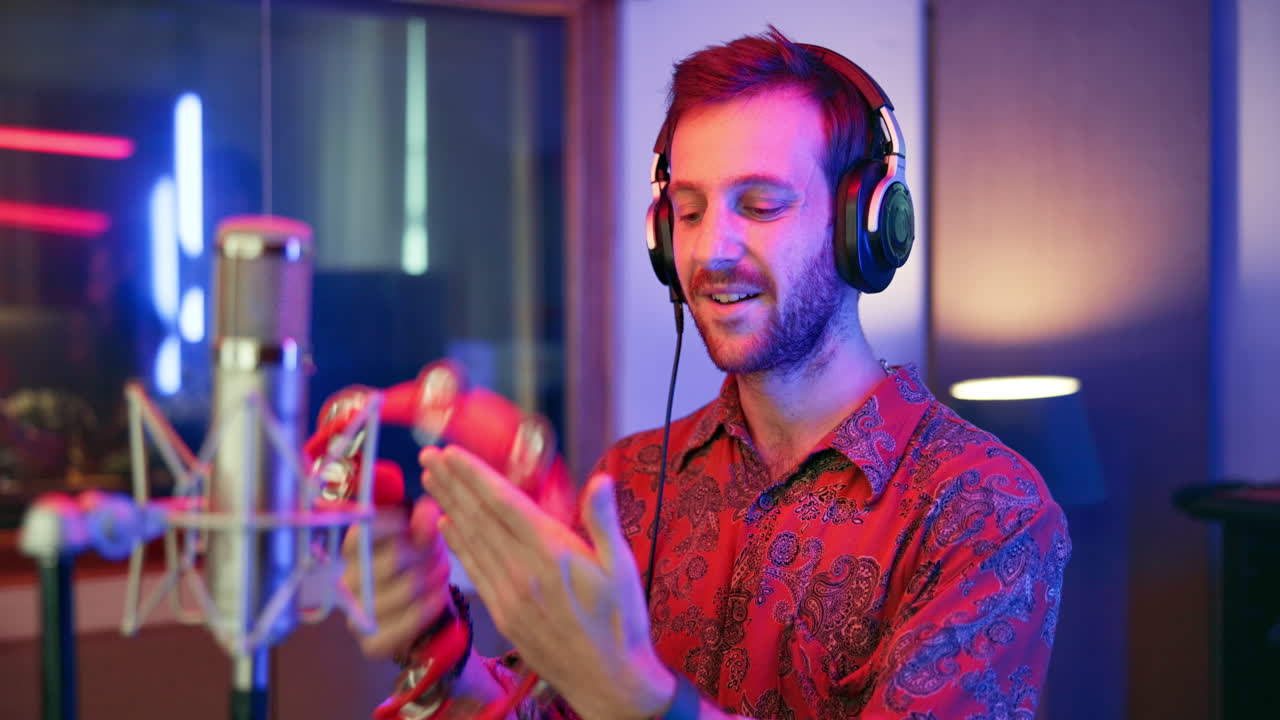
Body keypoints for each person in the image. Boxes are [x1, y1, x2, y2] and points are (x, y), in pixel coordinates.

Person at [342, 28, 1070, 719]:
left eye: (760, 205)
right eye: (688, 211)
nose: (711, 251)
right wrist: (433, 640)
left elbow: (612, 694)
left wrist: (633, 695)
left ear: (865, 228)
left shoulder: (987, 511)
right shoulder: (631, 480)